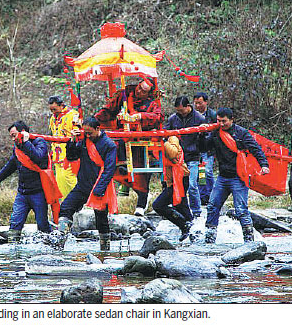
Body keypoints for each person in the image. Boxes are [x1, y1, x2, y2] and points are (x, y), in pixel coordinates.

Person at [199, 107, 270, 243]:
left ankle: (250, 242)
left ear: (232, 120)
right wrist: (202, 134)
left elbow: (255, 148)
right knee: (212, 206)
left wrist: (264, 165)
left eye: (224, 121)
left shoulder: (241, 133)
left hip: (239, 177)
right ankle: (209, 239)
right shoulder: (216, 133)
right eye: (218, 121)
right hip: (222, 177)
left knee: (241, 210)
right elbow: (203, 148)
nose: (221, 124)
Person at [95, 78, 163, 216]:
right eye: (139, 87)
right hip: (121, 136)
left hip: (141, 139)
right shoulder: (125, 95)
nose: (139, 91)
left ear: (148, 94)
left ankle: (141, 202)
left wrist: (140, 116)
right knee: (108, 152)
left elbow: (157, 117)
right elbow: (109, 110)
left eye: (143, 91)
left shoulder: (152, 104)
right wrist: (93, 120)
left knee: (142, 173)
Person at [0, 120, 59, 242]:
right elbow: (12, 164)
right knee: (15, 224)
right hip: (22, 193)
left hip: (38, 192)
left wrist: (26, 142)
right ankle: (14, 250)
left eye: (14, 135)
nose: (13, 139)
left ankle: (52, 248)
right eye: (11, 136)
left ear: (23, 132)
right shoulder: (17, 148)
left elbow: (38, 157)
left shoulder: (39, 142)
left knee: (42, 224)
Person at [57, 116, 117, 251]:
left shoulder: (109, 145)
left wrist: (99, 189)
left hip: (99, 186)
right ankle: (59, 241)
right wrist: (72, 140)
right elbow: (72, 157)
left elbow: (109, 169)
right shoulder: (85, 141)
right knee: (65, 207)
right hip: (83, 185)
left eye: (90, 132)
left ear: (98, 129)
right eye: (85, 132)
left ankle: (105, 250)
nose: (87, 135)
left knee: (101, 219)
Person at [165, 96, 205, 219]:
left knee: (192, 185)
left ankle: (197, 212)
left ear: (188, 106)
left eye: (182, 110)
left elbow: (206, 136)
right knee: (177, 185)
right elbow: (165, 132)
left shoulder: (199, 118)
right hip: (177, 158)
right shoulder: (173, 119)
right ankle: (182, 211)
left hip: (193, 156)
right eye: (178, 111)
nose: (180, 113)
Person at [152, 136, 194, 242]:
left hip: (179, 178)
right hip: (174, 179)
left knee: (158, 205)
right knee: (181, 205)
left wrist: (164, 142)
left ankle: (185, 225)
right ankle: (192, 229)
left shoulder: (172, 139)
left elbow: (173, 153)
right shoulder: (164, 142)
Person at [48, 95, 80, 200]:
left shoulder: (73, 115)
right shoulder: (53, 118)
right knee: (60, 181)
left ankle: (80, 201)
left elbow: (77, 131)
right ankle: (66, 203)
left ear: (61, 105)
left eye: (55, 109)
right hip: (57, 154)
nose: (53, 112)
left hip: (69, 153)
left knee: (70, 178)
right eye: (51, 110)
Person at [193, 92, 217, 206]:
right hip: (196, 149)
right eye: (195, 103)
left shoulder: (212, 115)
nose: (197, 105)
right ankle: (203, 197)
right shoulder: (192, 115)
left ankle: (214, 194)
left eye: (200, 103)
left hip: (208, 148)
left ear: (206, 102)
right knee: (200, 174)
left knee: (207, 172)